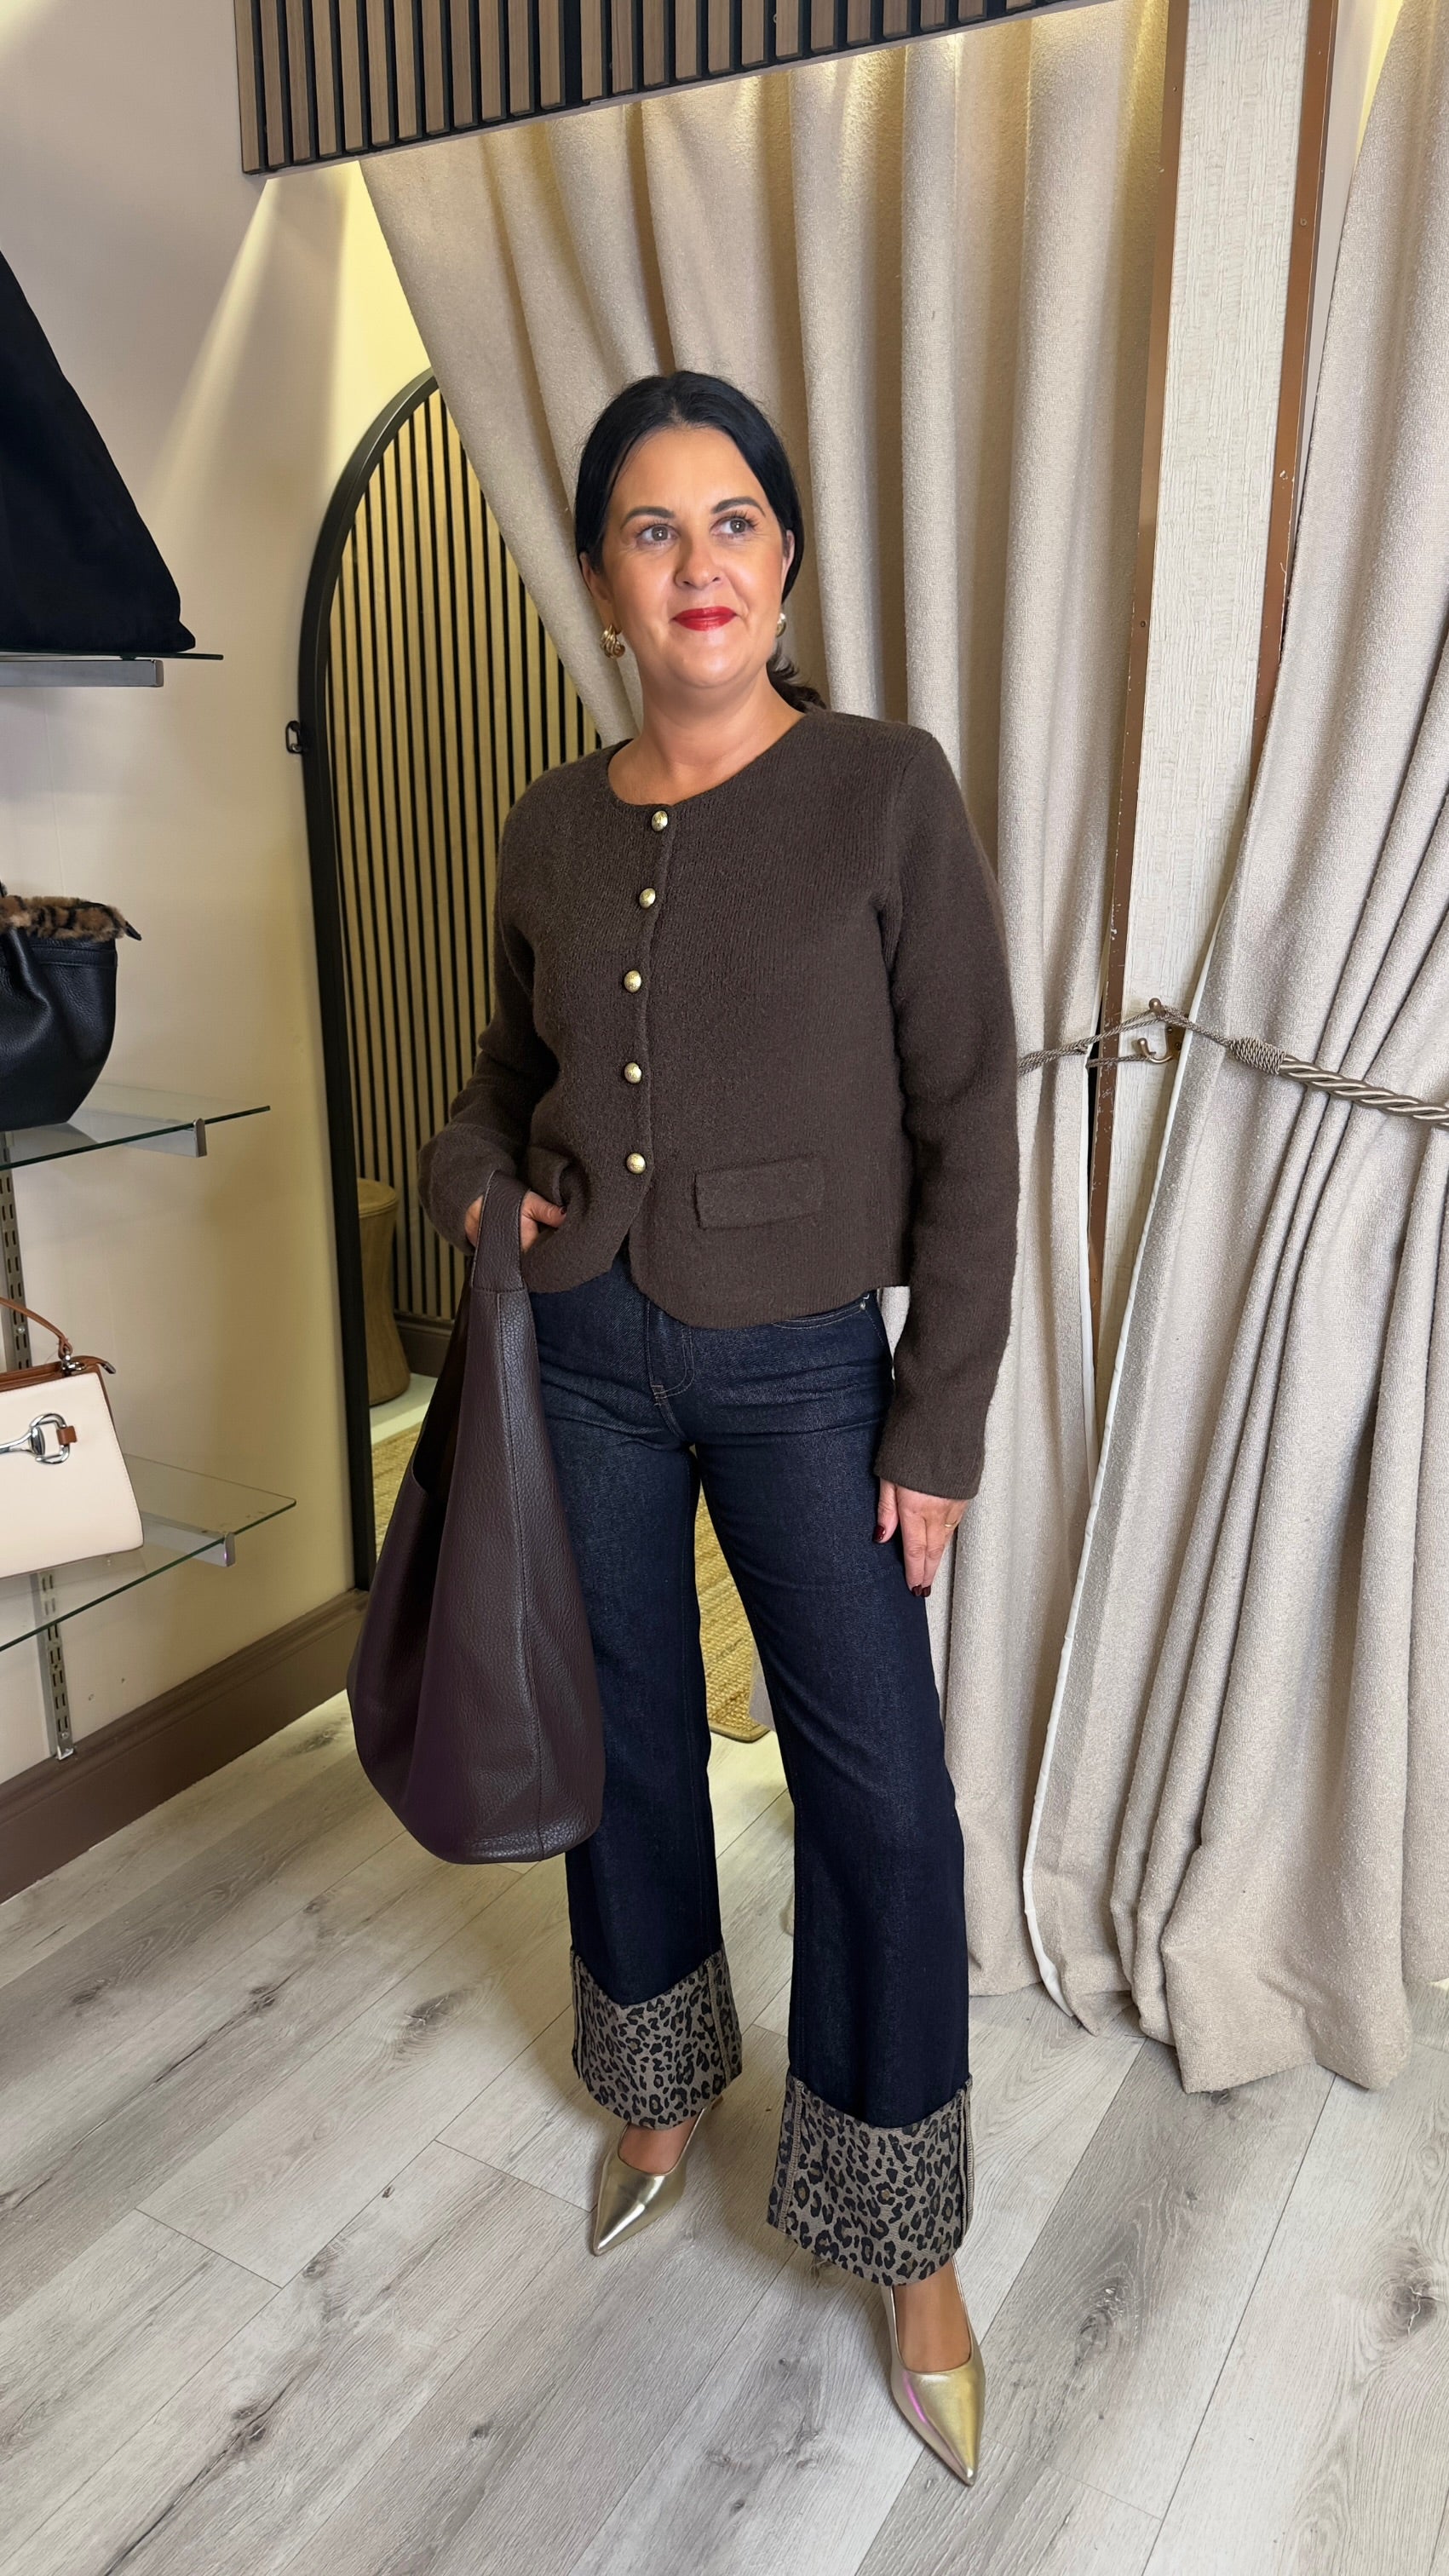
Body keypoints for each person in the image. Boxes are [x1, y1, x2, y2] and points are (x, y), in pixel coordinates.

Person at [417, 371, 1019, 2487]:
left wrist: (934, 1423)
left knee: (880, 1798)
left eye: (733, 521)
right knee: (620, 1742)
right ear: (600, 580)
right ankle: (659, 2080)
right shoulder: (546, 827)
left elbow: (969, 1117)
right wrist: (475, 1188)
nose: (697, 563)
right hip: (584, 1353)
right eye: (651, 529)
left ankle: (902, 2225)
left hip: (802, 1372)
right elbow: (501, 1077)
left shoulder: (881, 791)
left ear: (782, 565)